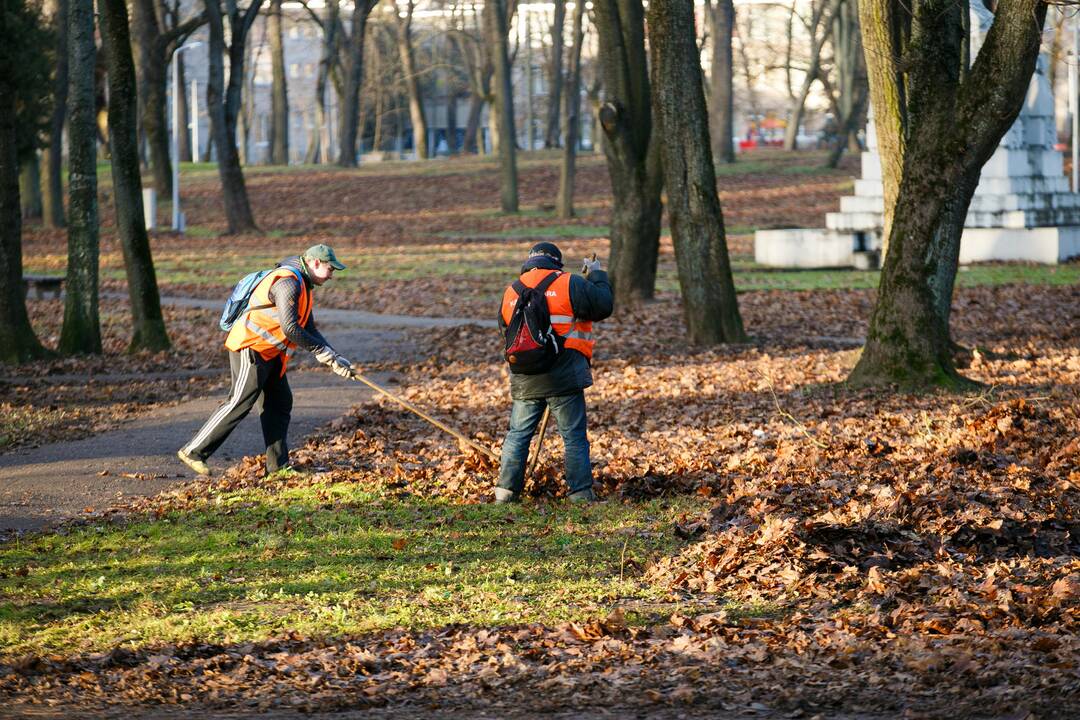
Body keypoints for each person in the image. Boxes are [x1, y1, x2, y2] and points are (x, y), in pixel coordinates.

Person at [177, 244, 355, 477]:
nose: (332, 275)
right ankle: (193, 451)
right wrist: (321, 351)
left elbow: (308, 327)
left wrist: (335, 357)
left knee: (280, 403)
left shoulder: (303, 286)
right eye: (330, 269)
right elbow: (290, 328)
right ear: (315, 263)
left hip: (270, 354)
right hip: (250, 348)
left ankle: (278, 467)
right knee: (239, 401)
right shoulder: (288, 283)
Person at [495, 242, 613, 503]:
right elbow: (603, 305)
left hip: (525, 377)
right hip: (564, 375)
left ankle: (505, 492)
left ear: (529, 262)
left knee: (517, 434)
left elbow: (505, 332)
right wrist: (596, 274)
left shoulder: (510, 291)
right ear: (556, 263)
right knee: (573, 436)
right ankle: (580, 492)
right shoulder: (569, 283)